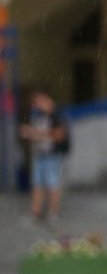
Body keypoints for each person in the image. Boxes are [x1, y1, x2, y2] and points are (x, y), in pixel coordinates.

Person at [19, 91, 68, 221]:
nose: (38, 105)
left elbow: (59, 136)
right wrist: (30, 133)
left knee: (53, 184)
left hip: (52, 156)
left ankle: (54, 211)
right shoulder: (38, 115)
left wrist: (35, 133)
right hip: (39, 155)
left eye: (40, 102)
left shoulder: (57, 115)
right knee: (37, 184)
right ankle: (35, 211)